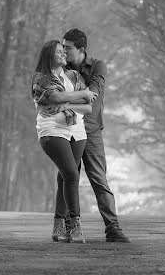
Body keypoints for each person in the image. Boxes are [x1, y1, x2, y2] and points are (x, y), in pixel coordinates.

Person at [60, 28, 131, 243]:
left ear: (81, 49)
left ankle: (113, 229)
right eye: (62, 47)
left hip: (90, 131)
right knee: (66, 179)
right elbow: (50, 92)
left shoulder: (98, 66)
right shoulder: (61, 67)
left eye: (68, 48)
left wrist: (63, 101)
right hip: (68, 129)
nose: (63, 52)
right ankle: (68, 228)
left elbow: (92, 95)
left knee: (99, 180)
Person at [31, 39, 96, 243]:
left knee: (64, 178)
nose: (63, 54)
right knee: (71, 175)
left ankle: (59, 227)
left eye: (64, 51)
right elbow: (55, 98)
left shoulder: (73, 75)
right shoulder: (41, 77)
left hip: (76, 131)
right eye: (59, 52)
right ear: (49, 55)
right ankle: (74, 226)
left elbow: (88, 105)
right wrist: (80, 95)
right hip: (52, 130)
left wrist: (70, 100)